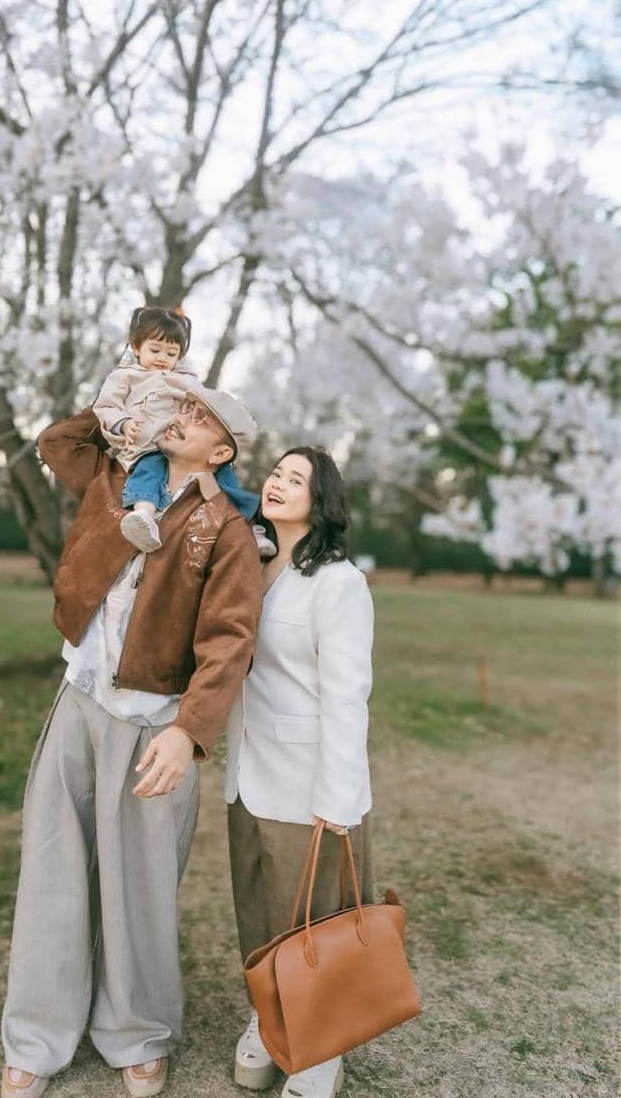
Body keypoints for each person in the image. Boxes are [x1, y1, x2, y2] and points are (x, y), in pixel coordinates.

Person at [0, 386, 264, 1098]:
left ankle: (136, 1031)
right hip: (80, 696)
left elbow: (230, 641)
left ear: (222, 451)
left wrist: (190, 732)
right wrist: (123, 397)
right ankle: (36, 1036)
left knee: (140, 883)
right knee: (52, 866)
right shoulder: (116, 475)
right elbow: (57, 443)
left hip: (156, 722)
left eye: (200, 417)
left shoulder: (227, 529)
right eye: (183, 407)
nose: (183, 416)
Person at [224, 447, 375, 1098]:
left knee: (311, 920)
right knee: (257, 910)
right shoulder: (250, 563)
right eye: (276, 473)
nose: (278, 483)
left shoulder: (339, 582)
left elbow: (347, 695)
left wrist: (339, 797)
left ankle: (319, 1048)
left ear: (322, 501)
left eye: (296, 479)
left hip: (308, 781)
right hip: (245, 772)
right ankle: (269, 1020)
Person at [93, 306, 271, 555]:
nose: (162, 358)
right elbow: (106, 406)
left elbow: (207, 404)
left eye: (171, 353)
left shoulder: (186, 378)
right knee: (149, 472)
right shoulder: (126, 376)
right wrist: (123, 423)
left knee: (227, 477)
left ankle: (250, 528)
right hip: (148, 445)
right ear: (136, 347)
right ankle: (144, 515)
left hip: (180, 444)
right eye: (155, 350)